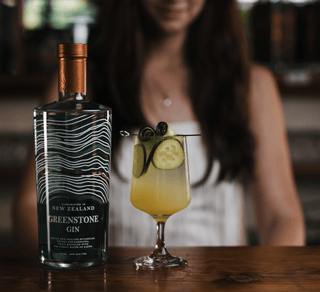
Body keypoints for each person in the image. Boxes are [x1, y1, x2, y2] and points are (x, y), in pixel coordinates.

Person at [13, 0, 305, 249]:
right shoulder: (81, 83)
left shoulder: (251, 85)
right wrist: (73, 278)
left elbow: (282, 217)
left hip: (219, 285)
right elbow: (30, 206)